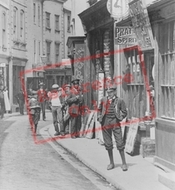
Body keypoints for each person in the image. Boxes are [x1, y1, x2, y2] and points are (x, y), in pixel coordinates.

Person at [97, 84, 128, 171]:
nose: (109, 94)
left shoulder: (120, 100)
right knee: (108, 143)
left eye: (111, 92)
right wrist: (99, 117)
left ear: (114, 92)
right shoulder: (103, 99)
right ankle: (111, 163)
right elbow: (99, 109)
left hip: (115, 122)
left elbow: (124, 112)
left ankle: (124, 163)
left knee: (119, 142)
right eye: (108, 92)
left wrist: (120, 118)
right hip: (105, 121)